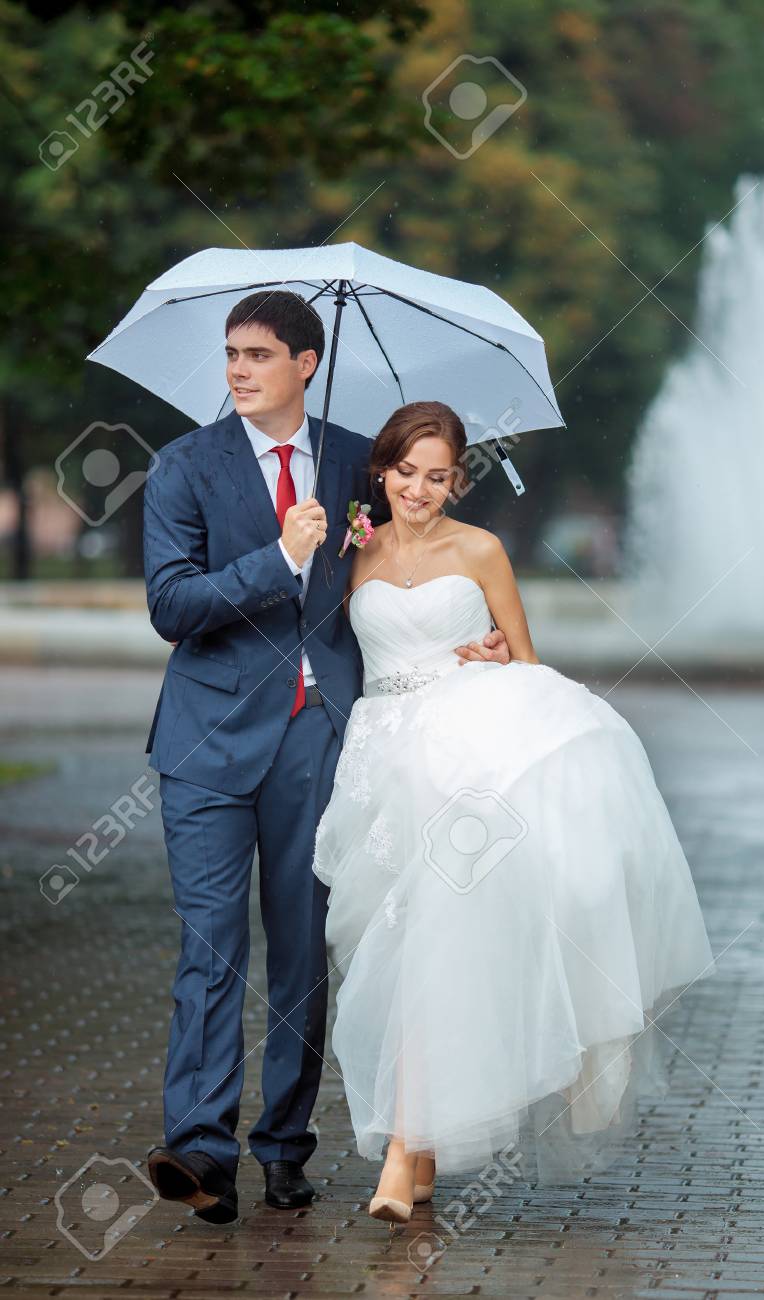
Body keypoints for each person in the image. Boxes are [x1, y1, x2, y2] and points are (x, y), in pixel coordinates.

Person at [142, 294, 510, 1224]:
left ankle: (284, 1147)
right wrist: (278, 554)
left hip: (323, 741)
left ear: (307, 363)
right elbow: (172, 607)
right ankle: (201, 1150)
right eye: (230, 354)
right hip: (208, 744)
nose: (237, 369)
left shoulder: (356, 461)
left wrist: (470, 640)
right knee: (213, 948)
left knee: (305, 954)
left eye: (259, 354)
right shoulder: (184, 467)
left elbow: (417, 557)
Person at [312, 399, 714, 1226]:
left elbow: (525, 663)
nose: (418, 490)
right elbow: (325, 647)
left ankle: (398, 1153)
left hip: (462, 756)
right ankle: (420, 1155)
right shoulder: (351, 550)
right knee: (377, 944)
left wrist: (494, 655)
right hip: (374, 758)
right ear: (381, 471)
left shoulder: (483, 550)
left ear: (457, 481)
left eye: (436, 476)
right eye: (405, 472)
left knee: (433, 938)